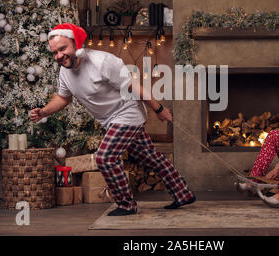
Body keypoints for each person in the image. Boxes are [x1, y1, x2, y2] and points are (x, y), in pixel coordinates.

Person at [30, 23, 195, 216]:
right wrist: (44, 112)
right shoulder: (65, 71)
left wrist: (158, 108)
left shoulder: (102, 62)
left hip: (127, 113)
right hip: (110, 121)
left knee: (105, 157)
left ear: (76, 43)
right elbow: (63, 98)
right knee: (150, 156)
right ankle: (183, 193)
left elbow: (133, 86)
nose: (59, 56)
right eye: (55, 52)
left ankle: (126, 205)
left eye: (63, 48)